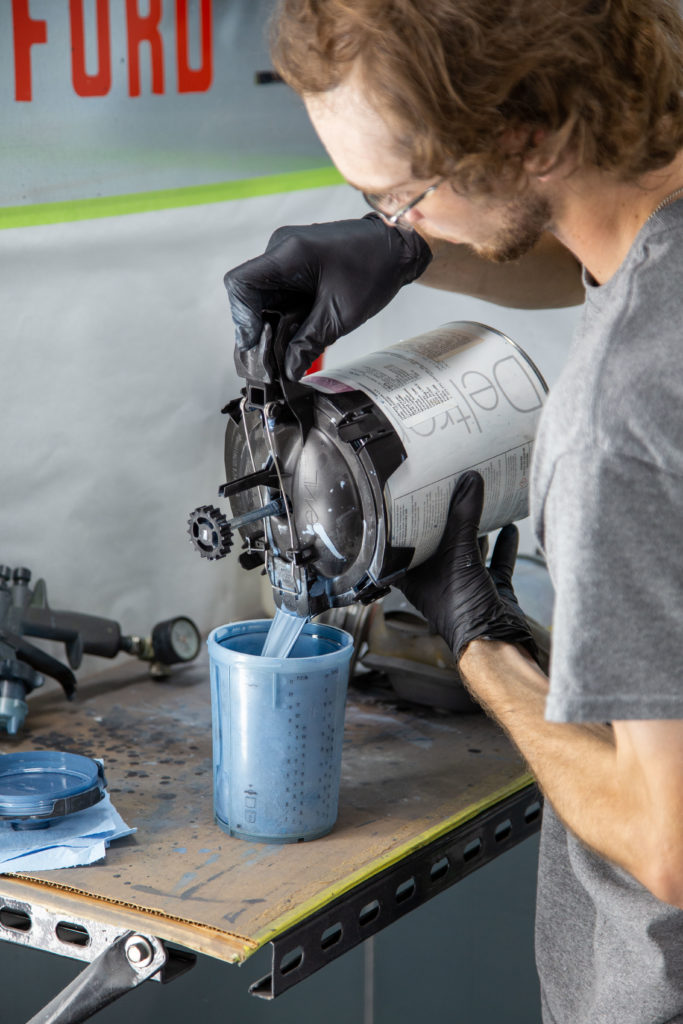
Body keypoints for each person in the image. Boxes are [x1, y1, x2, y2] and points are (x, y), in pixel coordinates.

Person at [225, 2, 683, 1020]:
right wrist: (405, 252)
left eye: (404, 194)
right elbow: (595, 244)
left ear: (529, 134)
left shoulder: (624, 410)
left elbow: (666, 841)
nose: (395, 220)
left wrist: (479, 643)